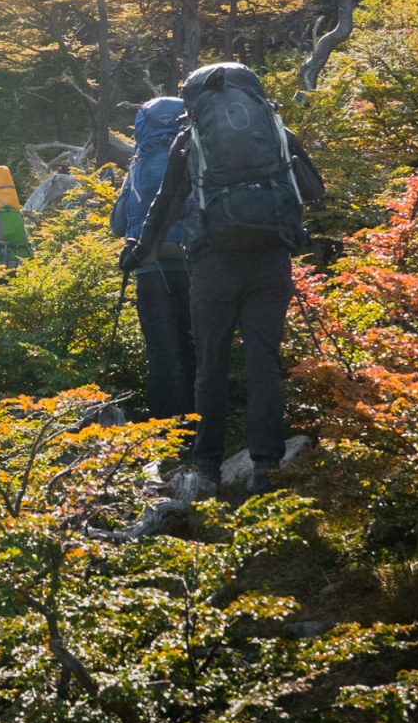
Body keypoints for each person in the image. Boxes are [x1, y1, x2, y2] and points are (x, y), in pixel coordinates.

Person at [128, 63, 324, 495]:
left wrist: (138, 252)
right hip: (271, 262)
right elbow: (314, 189)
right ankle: (266, 468)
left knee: (210, 366)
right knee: (263, 365)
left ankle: (208, 469)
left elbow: (164, 205)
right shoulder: (275, 131)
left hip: (214, 266)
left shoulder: (190, 138)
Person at [110, 97, 194, 419]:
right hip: (193, 265)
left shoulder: (140, 162)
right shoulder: (194, 153)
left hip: (149, 268)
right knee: (194, 347)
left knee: (160, 353)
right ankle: (198, 427)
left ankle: (163, 432)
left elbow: (117, 224)